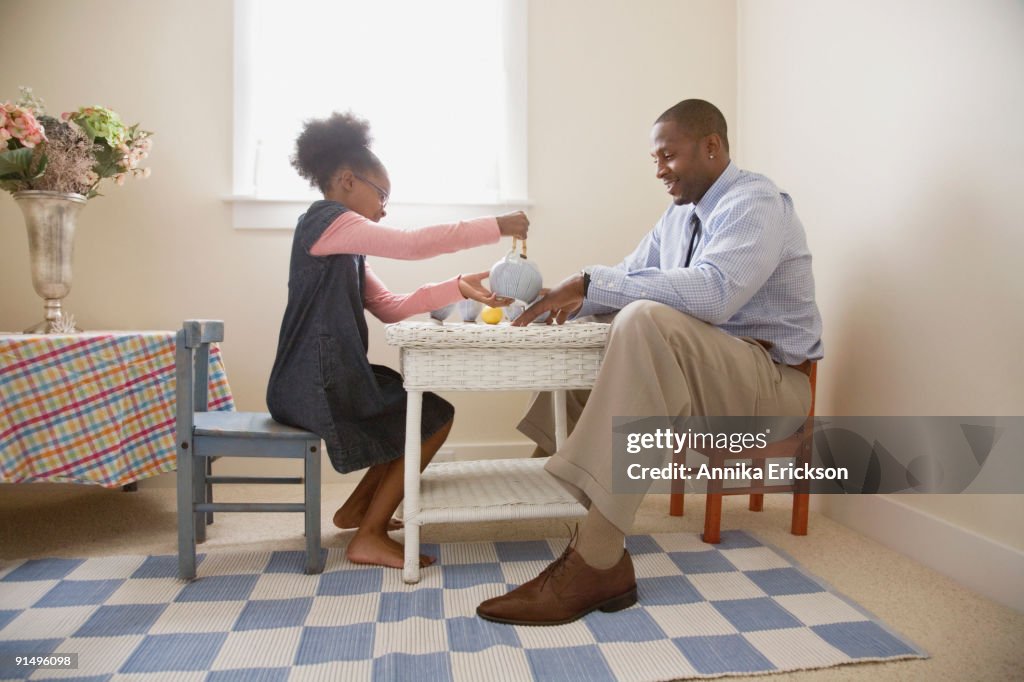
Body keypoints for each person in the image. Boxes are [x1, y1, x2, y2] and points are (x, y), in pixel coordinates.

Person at [476, 99, 823, 625]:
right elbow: (623, 278)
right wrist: (558, 296)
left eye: (669, 155)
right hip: (708, 376)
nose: (659, 169)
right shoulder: (677, 217)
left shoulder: (756, 202)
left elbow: (714, 294)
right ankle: (555, 501)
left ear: (711, 147)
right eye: (655, 159)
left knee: (641, 320)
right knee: (594, 329)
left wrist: (592, 283)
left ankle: (596, 558)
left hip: (770, 388)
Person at [266, 112, 529, 569]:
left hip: (316, 375)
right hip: (314, 380)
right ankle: (368, 535)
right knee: (433, 416)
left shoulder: (342, 243)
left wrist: (458, 286)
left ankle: (357, 512)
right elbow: (410, 245)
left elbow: (389, 305)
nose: (384, 208)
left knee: (415, 409)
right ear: (348, 180)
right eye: (381, 194)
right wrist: (498, 224)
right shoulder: (324, 221)